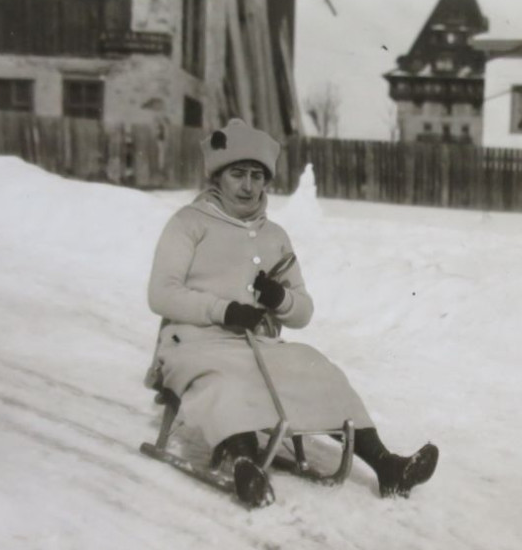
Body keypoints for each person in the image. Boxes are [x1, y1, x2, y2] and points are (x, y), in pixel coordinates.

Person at [145, 118, 438, 508]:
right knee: (226, 381)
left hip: (258, 345)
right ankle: (245, 464)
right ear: (218, 177)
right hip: (194, 340)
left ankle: (387, 466)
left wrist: (280, 298)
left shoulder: (274, 236)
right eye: (237, 174)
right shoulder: (189, 223)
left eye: (256, 176)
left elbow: (303, 311)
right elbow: (160, 294)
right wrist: (224, 310)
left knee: (320, 370)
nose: (248, 186)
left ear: (267, 182)